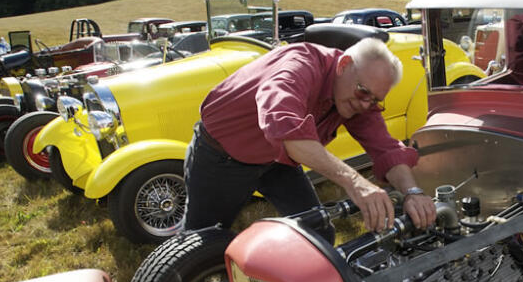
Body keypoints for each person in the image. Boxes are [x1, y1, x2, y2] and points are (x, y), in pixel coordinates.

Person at [183, 37, 436, 241]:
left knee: (317, 234)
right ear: (343, 64)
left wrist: (413, 192)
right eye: (363, 92)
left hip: (277, 160)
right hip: (221, 155)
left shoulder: (355, 94)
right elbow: (286, 129)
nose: (365, 104)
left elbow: (385, 148)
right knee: (200, 243)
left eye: (375, 100)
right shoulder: (300, 65)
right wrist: (356, 183)